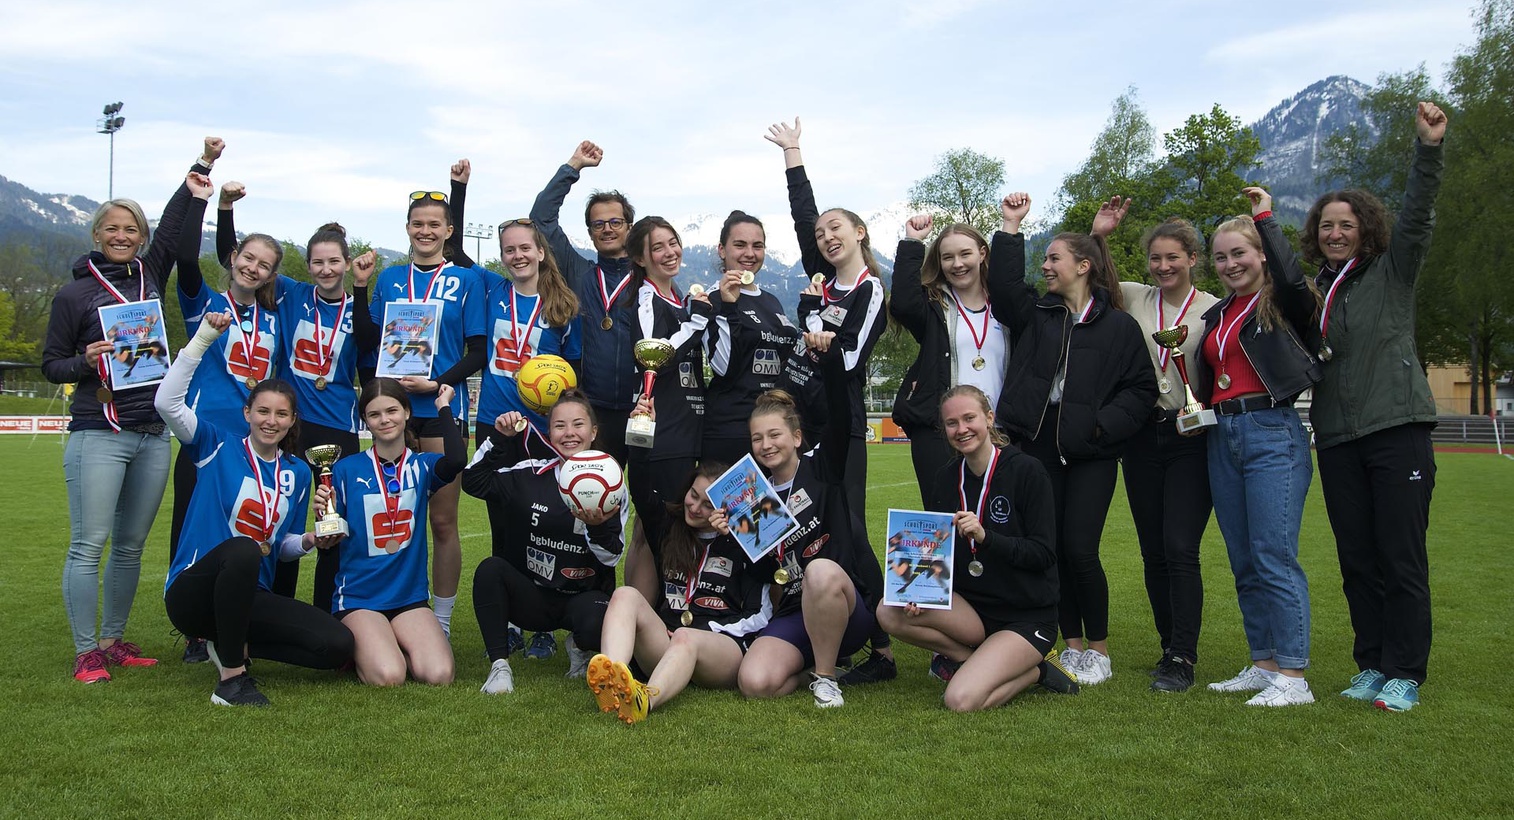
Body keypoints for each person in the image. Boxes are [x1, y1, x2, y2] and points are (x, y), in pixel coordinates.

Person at [41, 138, 219, 682]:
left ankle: (114, 640)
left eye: (130, 230)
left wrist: (203, 167)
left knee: (130, 547)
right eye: (112, 229)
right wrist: (86, 362)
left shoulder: (148, 274)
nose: (122, 237)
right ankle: (86, 650)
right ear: (97, 235)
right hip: (99, 429)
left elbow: (172, 226)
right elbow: (52, 365)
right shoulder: (74, 296)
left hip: (151, 432)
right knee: (89, 544)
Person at [1303, 102, 1447, 713]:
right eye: (1326, 226)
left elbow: (1416, 217)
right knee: (1357, 558)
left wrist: (1429, 151)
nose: (1336, 232)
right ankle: (1370, 663)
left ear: (1365, 228)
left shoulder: (1393, 270)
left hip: (1396, 429)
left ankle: (1405, 672)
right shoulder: (1315, 291)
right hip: (1336, 436)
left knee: (1400, 555)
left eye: (1347, 224)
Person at [987, 193, 1157, 686]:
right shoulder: (1036, 314)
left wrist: (1101, 425)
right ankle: (1071, 645)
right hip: (1036, 448)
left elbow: (1141, 389)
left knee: (1081, 549)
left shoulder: (1119, 326)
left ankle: (1098, 650)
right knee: (1052, 550)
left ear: (1084, 266)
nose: (1046, 267)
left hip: (1091, 453)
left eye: (1054, 259)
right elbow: (1002, 285)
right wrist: (1011, 227)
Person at [155, 311, 355, 706]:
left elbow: (281, 546)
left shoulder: (297, 472)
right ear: (247, 413)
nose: (271, 420)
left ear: (292, 420)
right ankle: (231, 679)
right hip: (192, 593)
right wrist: (202, 340)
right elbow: (167, 402)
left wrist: (313, 539)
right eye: (263, 411)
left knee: (337, 646)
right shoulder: (215, 445)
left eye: (281, 414)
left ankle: (230, 642)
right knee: (243, 548)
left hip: (249, 595)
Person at [765, 117, 895, 685]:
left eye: (836, 229)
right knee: (799, 527)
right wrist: (793, 155)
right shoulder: (821, 279)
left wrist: (823, 340)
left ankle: (884, 644)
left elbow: (851, 357)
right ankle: (815, 624)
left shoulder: (870, 289)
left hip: (840, 428)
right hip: (805, 426)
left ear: (860, 232)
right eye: (821, 235)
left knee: (848, 532)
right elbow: (802, 216)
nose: (825, 237)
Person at [219, 188, 383, 611]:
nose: (325, 269)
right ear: (306, 266)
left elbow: (368, 350)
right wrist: (224, 209)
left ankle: (329, 612)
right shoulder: (290, 294)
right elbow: (233, 262)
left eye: (334, 261)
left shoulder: (359, 308)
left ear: (347, 263)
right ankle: (275, 608)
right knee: (284, 518)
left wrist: (362, 288)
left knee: (332, 524)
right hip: (292, 424)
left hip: (339, 428)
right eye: (317, 261)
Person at [876, 385, 1080, 711]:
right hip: (974, 613)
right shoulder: (945, 479)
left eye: (969, 418)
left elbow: (1043, 554)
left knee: (960, 699)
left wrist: (987, 537)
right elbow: (937, 552)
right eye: (952, 423)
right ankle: (970, 659)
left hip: (1025, 617)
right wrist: (917, 588)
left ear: (988, 417)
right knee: (889, 609)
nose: (962, 429)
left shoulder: (1027, 471)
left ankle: (1036, 670)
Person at [1196, 190, 1322, 707]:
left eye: (1240, 254)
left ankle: (1294, 678)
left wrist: (1265, 218)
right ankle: (1264, 664)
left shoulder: (1285, 299)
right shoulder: (1218, 313)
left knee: (1274, 556)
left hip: (1272, 432)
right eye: (1221, 257)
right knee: (1244, 558)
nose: (1230, 264)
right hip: (1221, 434)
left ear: (1262, 255)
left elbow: (1292, 278)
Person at [1092, 203, 1220, 693]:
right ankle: (1170, 646)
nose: (1163, 267)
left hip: (1193, 435)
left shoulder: (1212, 307)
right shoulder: (1136, 297)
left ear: (1192, 258)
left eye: (1173, 258)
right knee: (1152, 551)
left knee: (1180, 547)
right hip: (1142, 436)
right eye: (1155, 259)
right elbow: (1097, 280)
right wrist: (1100, 235)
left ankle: (1183, 656)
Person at [172, 173, 287, 662]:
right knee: (192, 530)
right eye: (248, 258)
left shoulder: (275, 320)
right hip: (204, 439)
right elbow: (183, 257)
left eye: (264, 265)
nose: (254, 268)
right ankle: (195, 629)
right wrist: (206, 202)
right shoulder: (205, 303)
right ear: (234, 258)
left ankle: (243, 620)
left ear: (271, 274)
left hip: (253, 444)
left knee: (245, 531)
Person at [367, 186, 487, 638]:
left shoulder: (467, 281)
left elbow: (478, 351)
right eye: (418, 223)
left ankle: (441, 621)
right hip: (393, 410)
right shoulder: (390, 278)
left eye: (434, 224)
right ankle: (388, 607)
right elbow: (370, 344)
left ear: (449, 231)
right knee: (391, 514)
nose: (425, 230)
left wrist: (440, 384)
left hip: (438, 408)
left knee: (441, 518)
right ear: (407, 228)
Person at [463, 392, 629, 694]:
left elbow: (610, 558)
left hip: (582, 598)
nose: (569, 433)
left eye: (578, 424)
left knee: (601, 617)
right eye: (559, 426)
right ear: (549, 432)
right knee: (490, 571)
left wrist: (596, 527)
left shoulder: (612, 481)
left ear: (593, 431)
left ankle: (580, 647)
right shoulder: (529, 473)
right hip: (531, 597)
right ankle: (499, 667)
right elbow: (473, 481)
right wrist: (498, 438)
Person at [585, 461, 771, 724]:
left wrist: (707, 630)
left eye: (707, 504)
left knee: (686, 637)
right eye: (693, 495)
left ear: (724, 509)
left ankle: (644, 701)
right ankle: (613, 678)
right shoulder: (670, 527)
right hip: (670, 643)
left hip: (723, 649)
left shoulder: (746, 542)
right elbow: (640, 489)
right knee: (625, 594)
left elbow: (761, 615)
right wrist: (640, 435)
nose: (694, 507)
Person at [735, 377, 876, 708]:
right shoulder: (755, 499)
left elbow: (841, 413)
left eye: (774, 435)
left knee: (820, 571)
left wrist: (831, 363)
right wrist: (736, 536)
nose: (766, 445)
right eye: (757, 439)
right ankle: (815, 671)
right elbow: (765, 573)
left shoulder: (822, 469)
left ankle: (826, 680)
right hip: (795, 611)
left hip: (843, 608)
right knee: (754, 682)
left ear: (797, 438)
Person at [321, 378, 463, 686]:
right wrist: (324, 516)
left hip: (407, 598)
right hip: (360, 598)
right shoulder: (344, 470)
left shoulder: (423, 466)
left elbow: (456, 460)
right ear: (365, 422)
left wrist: (443, 407)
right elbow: (329, 540)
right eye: (374, 415)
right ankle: (371, 644)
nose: (385, 420)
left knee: (439, 675)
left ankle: (390, 640)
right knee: (389, 676)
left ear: (407, 413)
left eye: (392, 411)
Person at [528, 140, 639, 463]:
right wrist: (573, 167)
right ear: (590, 232)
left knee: (649, 500)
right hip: (594, 412)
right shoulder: (579, 272)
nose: (607, 229)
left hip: (643, 407)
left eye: (615, 222)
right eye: (598, 224)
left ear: (629, 227)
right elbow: (541, 220)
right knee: (590, 498)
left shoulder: (648, 279)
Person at [890, 215, 1011, 497]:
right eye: (947, 257)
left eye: (965, 254)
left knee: (998, 519)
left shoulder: (1007, 306)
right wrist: (912, 242)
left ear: (982, 254)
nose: (957, 264)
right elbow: (902, 304)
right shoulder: (933, 306)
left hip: (999, 428)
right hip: (939, 431)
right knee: (942, 518)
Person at [624, 216, 712, 530]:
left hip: (688, 433)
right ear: (639, 258)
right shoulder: (647, 300)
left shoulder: (678, 300)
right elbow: (653, 356)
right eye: (658, 247)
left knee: (661, 537)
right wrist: (696, 323)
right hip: (665, 437)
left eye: (673, 242)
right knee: (667, 537)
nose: (670, 252)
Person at [700, 211, 804, 466]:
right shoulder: (709, 299)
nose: (750, 253)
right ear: (722, 250)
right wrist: (728, 307)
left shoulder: (771, 300)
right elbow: (723, 366)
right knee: (736, 507)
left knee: (774, 507)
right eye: (740, 245)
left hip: (774, 430)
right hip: (731, 430)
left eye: (757, 246)